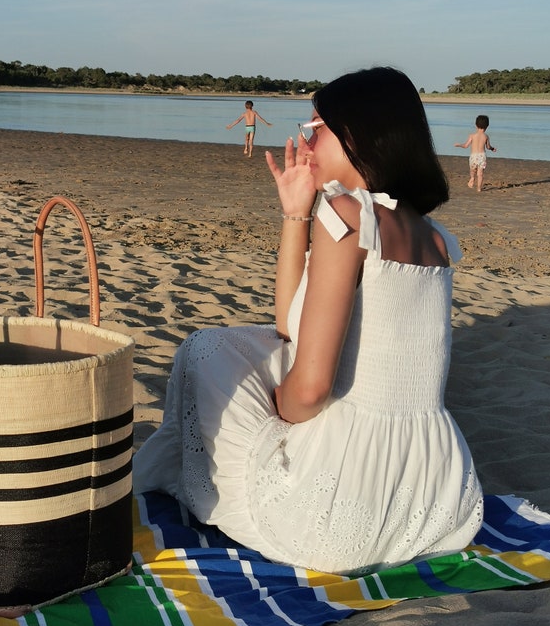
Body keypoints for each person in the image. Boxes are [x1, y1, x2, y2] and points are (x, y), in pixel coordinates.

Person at [134, 66, 483, 575]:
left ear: (357, 134)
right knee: (254, 350)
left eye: (315, 127)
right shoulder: (434, 237)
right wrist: (296, 211)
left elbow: (311, 389)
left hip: (338, 514)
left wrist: (272, 417)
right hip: (436, 502)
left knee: (205, 351)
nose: (304, 140)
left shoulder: (348, 212)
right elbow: (288, 325)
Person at [454, 115, 496, 192]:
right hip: (482, 156)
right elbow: (488, 147)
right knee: (480, 174)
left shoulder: (472, 136)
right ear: (487, 126)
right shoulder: (486, 136)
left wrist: (459, 145)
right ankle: (479, 188)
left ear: (476, 125)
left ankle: (472, 178)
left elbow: (466, 145)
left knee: (472, 170)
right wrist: (492, 148)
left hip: (473, 156)